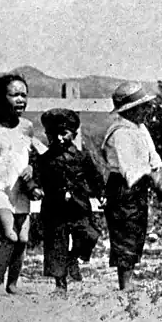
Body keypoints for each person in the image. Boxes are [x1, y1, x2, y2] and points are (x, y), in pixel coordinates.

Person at [0, 74, 43, 296]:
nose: (21, 99)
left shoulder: (27, 127)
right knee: (10, 236)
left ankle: (13, 283)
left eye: (24, 95)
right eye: (14, 95)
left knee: (22, 240)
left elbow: (31, 156)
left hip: (20, 190)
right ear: (0, 98)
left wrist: (32, 169)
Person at [101, 82, 162, 291]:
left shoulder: (140, 128)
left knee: (137, 229)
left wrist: (159, 173)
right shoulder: (119, 133)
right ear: (129, 110)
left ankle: (129, 277)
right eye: (142, 107)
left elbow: (153, 157)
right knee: (124, 232)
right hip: (123, 188)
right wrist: (152, 176)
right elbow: (131, 170)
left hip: (139, 187)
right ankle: (125, 282)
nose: (146, 111)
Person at [36, 108, 104, 295]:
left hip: (79, 207)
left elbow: (95, 178)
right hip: (54, 210)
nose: (58, 138)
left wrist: (101, 195)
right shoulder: (45, 159)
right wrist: (34, 188)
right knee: (56, 245)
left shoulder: (82, 157)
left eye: (63, 133)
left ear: (73, 134)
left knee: (89, 234)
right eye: (53, 134)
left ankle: (73, 257)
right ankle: (60, 285)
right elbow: (36, 177)